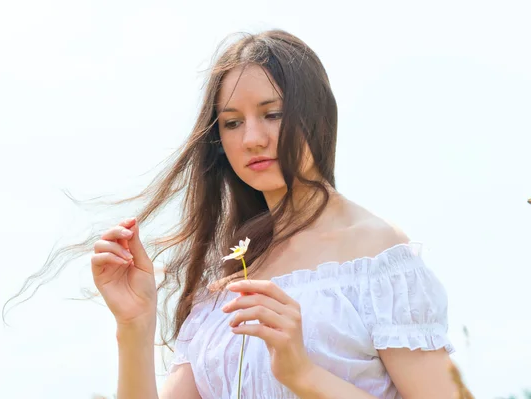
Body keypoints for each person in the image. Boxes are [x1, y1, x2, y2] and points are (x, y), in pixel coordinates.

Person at [90, 30, 456, 398]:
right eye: (232, 122)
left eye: (273, 114)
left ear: (318, 115)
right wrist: (134, 326)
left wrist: (304, 375)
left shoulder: (377, 256)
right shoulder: (223, 285)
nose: (252, 138)